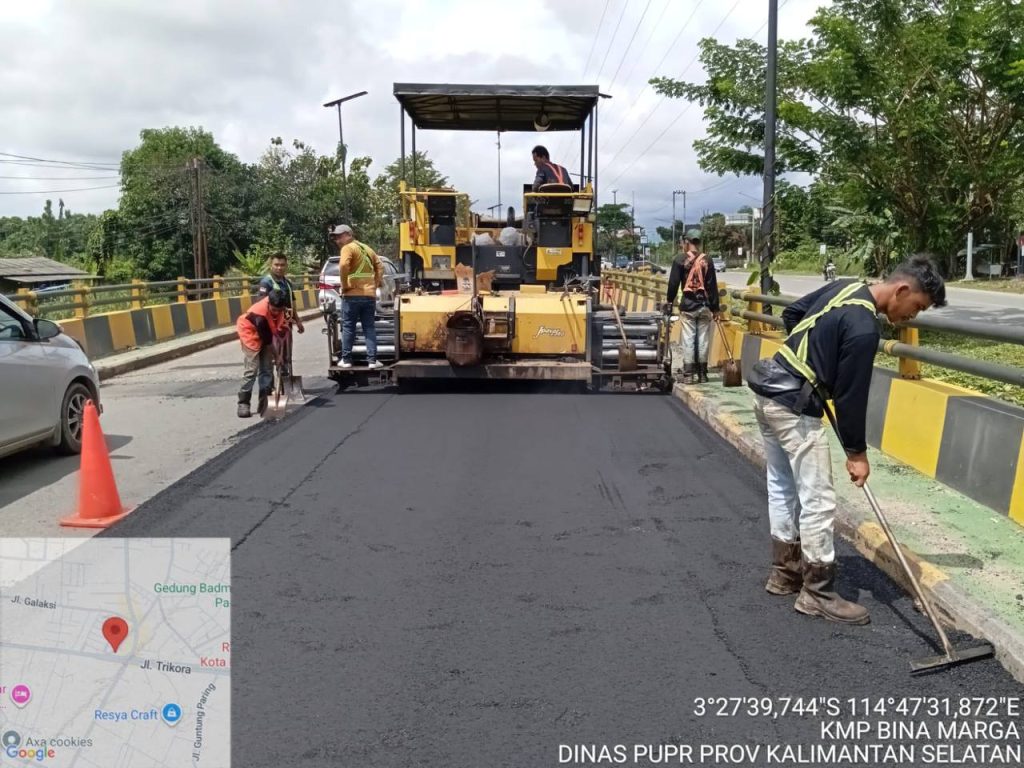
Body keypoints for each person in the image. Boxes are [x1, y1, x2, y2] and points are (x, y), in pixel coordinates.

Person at [747, 256, 946, 625]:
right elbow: (851, 397)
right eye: (917, 306)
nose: (912, 317)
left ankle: (784, 574)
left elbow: (794, 314)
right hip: (793, 407)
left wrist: (814, 363)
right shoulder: (864, 327)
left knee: (782, 486)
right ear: (902, 289)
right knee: (818, 500)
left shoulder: (847, 287)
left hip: (768, 392)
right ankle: (817, 593)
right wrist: (857, 454)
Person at [664, 229, 720, 384]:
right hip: (704, 306)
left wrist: (669, 301)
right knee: (703, 340)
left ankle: (689, 374)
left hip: (688, 306)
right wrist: (715, 308)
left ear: (686, 242)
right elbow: (712, 286)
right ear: (700, 242)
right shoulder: (707, 260)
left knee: (689, 339)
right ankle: (702, 374)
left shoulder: (679, 259)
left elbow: (673, 284)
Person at [330, 224, 383, 369]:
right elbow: (380, 266)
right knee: (369, 327)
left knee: (348, 326)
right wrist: (375, 284)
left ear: (349, 234)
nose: (337, 240)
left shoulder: (347, 248)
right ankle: (372, 361)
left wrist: (344, 285)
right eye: (336, 238)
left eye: (340, 236)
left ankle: (346, 360)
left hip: (352, 294)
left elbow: (343, 266)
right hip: (369, 295)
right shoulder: (367, 248)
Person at [236, 289, 288, 418]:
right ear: (268, 303)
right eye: (274, 310)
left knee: (267, 370)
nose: (276, 313)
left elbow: (275, 329)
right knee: (251, 371)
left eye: (279, 310)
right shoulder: (260, 314)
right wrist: (277, 356)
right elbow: (268, 341)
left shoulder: (279, 308)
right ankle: (243, 403)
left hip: (264, 333)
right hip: (250, 333)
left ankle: (264, 403)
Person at [258, 252, 304, 375]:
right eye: (276, 265)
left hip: (286, 325)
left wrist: (298, 321)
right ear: (271, 265)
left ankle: (285, 377)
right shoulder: (266, 283)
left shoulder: (287, 283)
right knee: (273, 355)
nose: (279, 268)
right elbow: (262, 305)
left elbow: (292, 303)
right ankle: (270, 383)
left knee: (286, 354)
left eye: (282, 265)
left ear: (286, 266)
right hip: (272, 326)